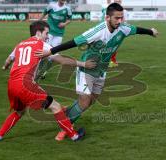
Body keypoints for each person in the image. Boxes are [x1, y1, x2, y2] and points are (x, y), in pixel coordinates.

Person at [36, 3, 158, 141]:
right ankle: (65, 127)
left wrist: (151, 32)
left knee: (91, 100)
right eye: (116, 18)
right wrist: (50, 51)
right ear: (107, 17)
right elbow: (73, 42)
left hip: (101, 71)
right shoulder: (97, 31)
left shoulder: (124, 28)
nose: (120, 21)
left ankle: (68, 112)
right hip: (87, 68)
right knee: (84, 101)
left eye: (121, 18)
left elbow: (138, 30)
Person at [0, 20, 96, 142]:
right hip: (25, 85)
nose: (48, 37)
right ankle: (75, 136)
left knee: (19, 111)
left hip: (11, 85)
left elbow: (8, 60)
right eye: (46, 33)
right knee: (55, 107)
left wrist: (5, 67)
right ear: (38, 32)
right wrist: (83, 64)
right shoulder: (42, 45)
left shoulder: (20, 44)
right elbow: (62, 60)